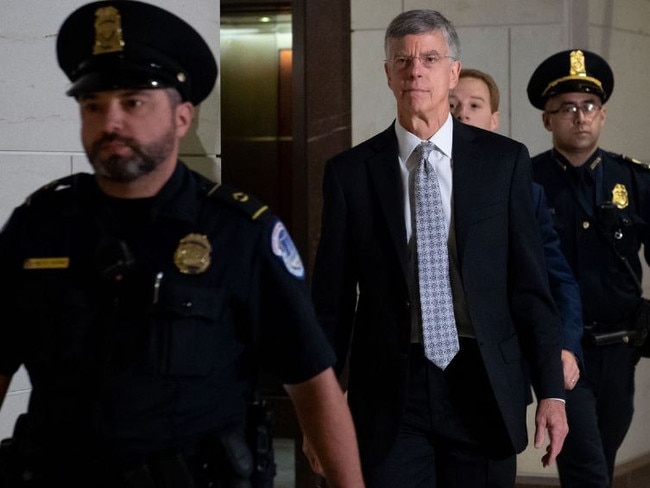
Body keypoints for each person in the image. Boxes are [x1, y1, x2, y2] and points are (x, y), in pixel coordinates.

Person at [0, 2, 365, 488]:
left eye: (133, 102)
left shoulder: (240, 232)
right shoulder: (38, 227)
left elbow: (312, 384)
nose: (111, 121)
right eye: (93, 105)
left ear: (182, 117)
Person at [309, 9, 568, 488]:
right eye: (402, 60)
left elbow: (531, 286)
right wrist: (319, 408)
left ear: (452, 72)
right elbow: (332, 301)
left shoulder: (504, 163)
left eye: (430, 58)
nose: (415, 70)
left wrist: (552, 392)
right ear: (387, 73)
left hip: (483, 383)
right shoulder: (350, 173)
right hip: (390, 389)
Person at [527, 49, 650, 488]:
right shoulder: (527, 180)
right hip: (563, 350)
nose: (579, 116)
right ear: (547, 119)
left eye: (589, 106)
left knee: (602, 458)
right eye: (566, 108)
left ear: (602, 115)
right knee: (587, 470)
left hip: (620, 347)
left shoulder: (634, 181)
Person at [450, 68, 584, 390]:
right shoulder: (413, 176)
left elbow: (552, 276)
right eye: (452, 104)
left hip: (494, 365)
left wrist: (564, 346)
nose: (462, 114)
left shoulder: (520, 188)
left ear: (494, 119)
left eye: (475, 105)